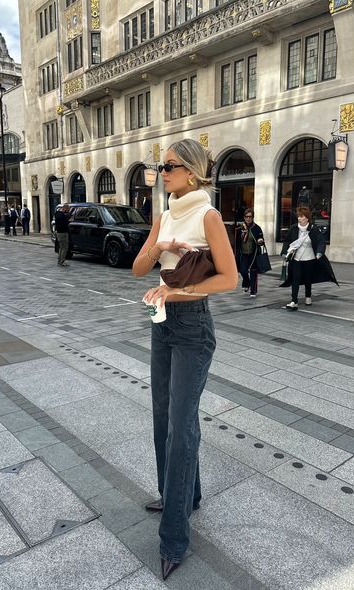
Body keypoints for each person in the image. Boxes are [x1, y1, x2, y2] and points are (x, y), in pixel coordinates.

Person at [132, 139, 237, 580]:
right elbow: (138, 268)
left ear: (191, 173)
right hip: (163, 323)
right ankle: (180, 495)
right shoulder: (165, 216)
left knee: (182, 427)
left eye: (170, 166)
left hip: (193, 325)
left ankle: (174, 536)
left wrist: (178, 291)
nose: (163, 172)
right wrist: (162, 245)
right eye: (162, 166)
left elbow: (230, 278)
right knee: (161, 417)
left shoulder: (208, 215)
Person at [280, 207, 338, 310]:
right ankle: (294, 301)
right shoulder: (294, 228)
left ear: (307, 218)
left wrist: (319, 252)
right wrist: (285, 252)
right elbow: (287, 241)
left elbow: (321, 241)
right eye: (298, 216)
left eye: (301, 217)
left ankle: (308, 296)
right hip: (296, 258)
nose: (299, 218)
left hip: (309, 258)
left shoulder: (313, 229)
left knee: (308, 278)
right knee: (295, 278)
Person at [234, 208, 264, 298]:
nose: (248, 218)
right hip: (243, 254)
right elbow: (236, 242)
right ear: (244, 217)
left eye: (250, 217)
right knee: (243, 270)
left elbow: (261, 238)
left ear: (253, 217)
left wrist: (260, 240)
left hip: (253, 253)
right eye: (246, 217)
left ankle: (253, 291)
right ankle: (246, 282)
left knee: (253, 271)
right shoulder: (240, 229)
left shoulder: (257, 228)